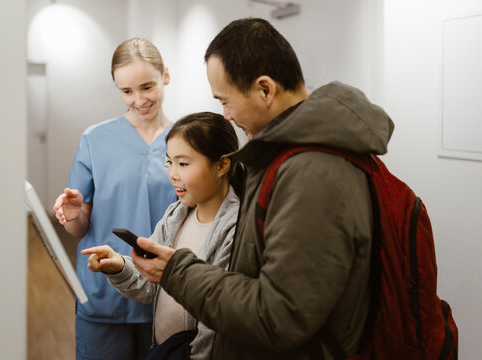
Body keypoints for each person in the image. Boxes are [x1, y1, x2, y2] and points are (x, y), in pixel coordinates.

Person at [129, 18, 395, 359]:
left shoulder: (311, 172)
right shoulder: (286, 157)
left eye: (225, 100)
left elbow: (279, 316)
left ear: (265, 90)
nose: (224, 115)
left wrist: (177, 272)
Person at [80, 112, 245, 360]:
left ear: (222, 165)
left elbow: (217, 317)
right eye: (169, 162)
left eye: (183, 163)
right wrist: (119, 267)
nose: (172, 174)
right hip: (164, 350)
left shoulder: (235, 230)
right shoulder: (175, 216)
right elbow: (150, 286)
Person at [53, 38, 177, 360]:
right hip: (104, 292)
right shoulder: (95, 139)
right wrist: (75, 213)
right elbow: (77, 230)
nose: (138, 100)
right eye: (127, 91)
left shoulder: (185, 139)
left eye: (147, 86)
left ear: (166, 75)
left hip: (167, 292)